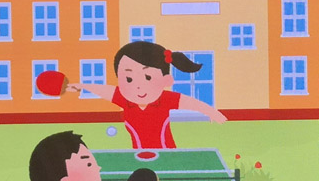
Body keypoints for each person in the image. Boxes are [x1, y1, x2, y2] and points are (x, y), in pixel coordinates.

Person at [74, 41, 227, 149]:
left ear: (166, 80)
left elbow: (191, 103)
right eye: (129, 79)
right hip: (138, 157)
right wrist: (82, 86)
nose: (138, 86)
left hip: (168, 156)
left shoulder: (165, 99)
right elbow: (103, 90)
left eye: (148, 77)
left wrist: (211, 112)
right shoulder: (124, 99)